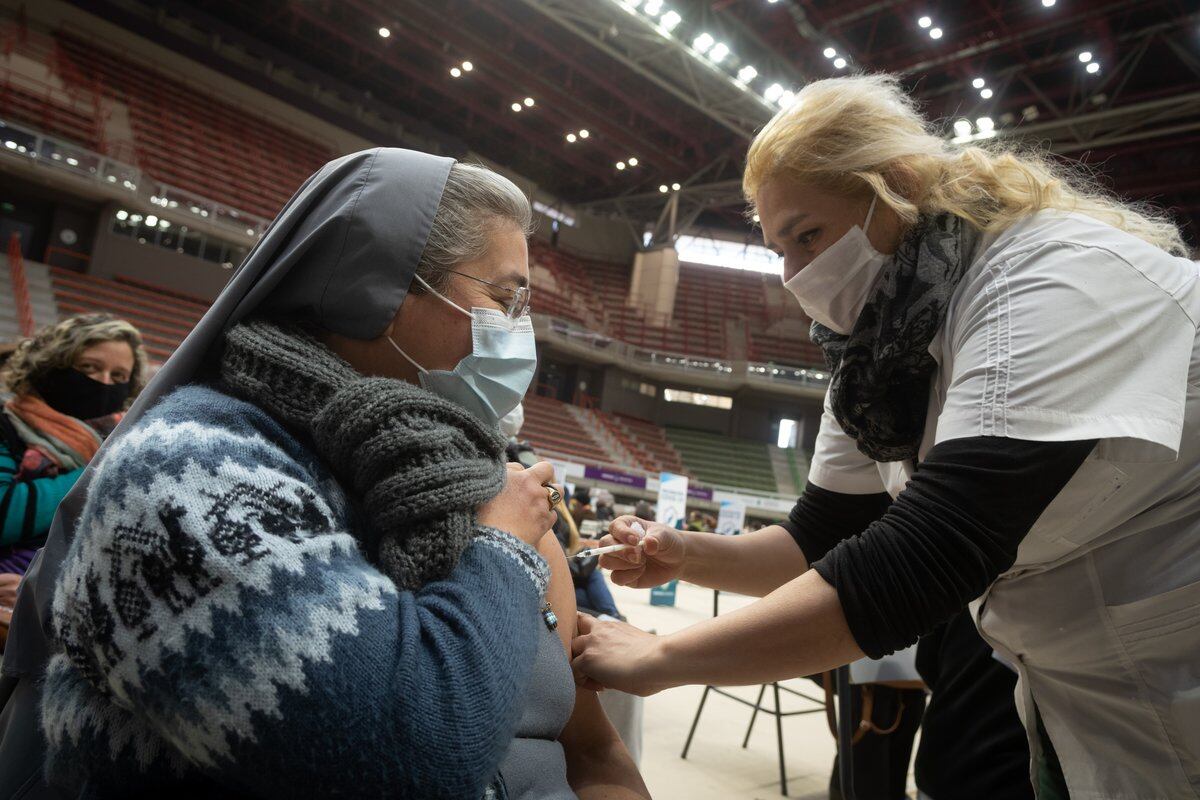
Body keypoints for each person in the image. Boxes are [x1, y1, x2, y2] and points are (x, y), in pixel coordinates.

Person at [573, 74, 1200, 798]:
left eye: (807, 235)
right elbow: (820, 537)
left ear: (897, 185)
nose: (794, 276)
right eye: (779, 249)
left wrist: (662, 657)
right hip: (1083, 693)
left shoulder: (1050, 277)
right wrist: (686, 553)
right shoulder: (881, 345)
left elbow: (931, 552)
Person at [0, 150, 648, 800]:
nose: (518, 333)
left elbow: (589, 751)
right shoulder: (193, 470)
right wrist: (503, 548)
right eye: (503, 298)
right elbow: (410, 754)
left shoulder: (449, 480)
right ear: (380, 290)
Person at [0, 314, 147, 647]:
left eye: (119, 376)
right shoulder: (7, 423)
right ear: (53, 365)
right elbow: (5, 513)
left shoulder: (122, 440)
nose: (104, 383)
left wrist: (40, 582)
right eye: (89, 368)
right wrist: (100, 472)